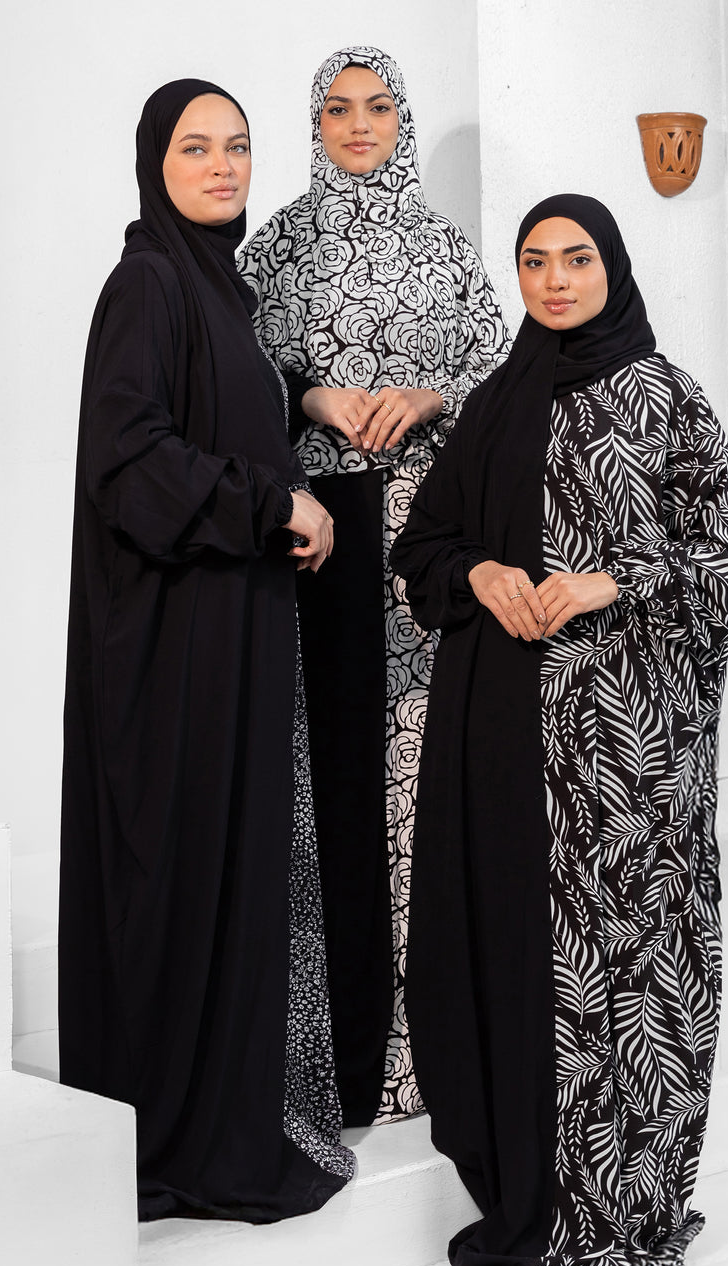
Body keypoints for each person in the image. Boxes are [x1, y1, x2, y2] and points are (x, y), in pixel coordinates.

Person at [391, 194, 728, 1266]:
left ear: (613, 269)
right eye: (535, 261)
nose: (555, 279)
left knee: (635, 968)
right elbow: (424, 545)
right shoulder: (495, 404)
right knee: (514, 955)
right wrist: (479, 571)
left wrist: (616, 579)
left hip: (630, 759)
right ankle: (530, 1196)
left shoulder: (665, 396)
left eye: (577, 258)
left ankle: (626, 1210)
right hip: (507, 746)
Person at [58, 78, 354, 1223]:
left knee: (230, 868)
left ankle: (225, 1110)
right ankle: (176, 1131)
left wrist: (302, 431)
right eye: (197, 148)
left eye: (238, 145)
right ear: (155, 162)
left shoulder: (222, 292)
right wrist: (272, 504)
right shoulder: (146, 285)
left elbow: (223, 424)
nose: (224, 165)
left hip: (230, 632)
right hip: (173, 647)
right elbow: (129, 461)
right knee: (178, 871)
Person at [239, 46, 509, 1126]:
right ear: (314, 125)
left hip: (423, 537)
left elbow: (497, 371)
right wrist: (312, 399)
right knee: (332, 775)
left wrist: (428, 393)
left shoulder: (445, 248)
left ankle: (426, 1053)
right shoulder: (278, 247)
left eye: (379, 107)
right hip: (319, 540)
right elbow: (234, 374)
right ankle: (338, 1055)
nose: (360, 125)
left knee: (419, 773)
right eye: (339, 110)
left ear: (403, 119)